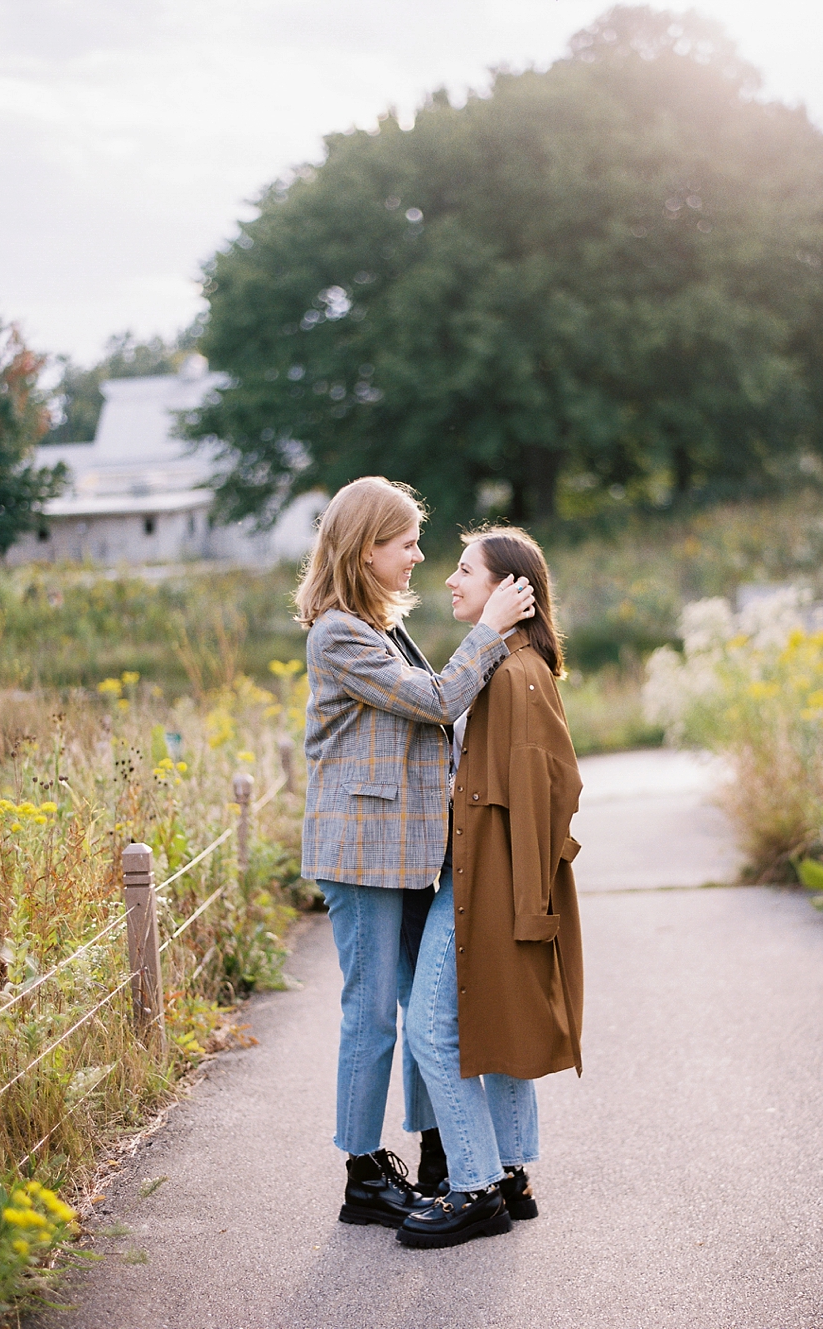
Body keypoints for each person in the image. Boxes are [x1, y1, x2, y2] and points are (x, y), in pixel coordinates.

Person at [296, 479, 536, 1229]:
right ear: (366, 550)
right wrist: (491, 629)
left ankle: (439, 1153)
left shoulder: (379, 628)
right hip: (363, 857)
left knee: (423, 1007)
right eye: (406, 543)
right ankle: (363, 1174)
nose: (419, 557)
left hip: (402, 856)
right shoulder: (338, 633)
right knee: (371, 1018)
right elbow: (435, 700)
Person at [399, 527, 584, 1250]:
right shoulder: (507, 665)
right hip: (487, 875)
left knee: (427, 1027)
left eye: (465, 570)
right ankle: (509, 1173)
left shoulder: (515, 672)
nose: (449, 579)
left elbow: (552, 784)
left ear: (510, 589)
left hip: (495, 882)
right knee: (500, 1022)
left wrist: (531, 899)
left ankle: (474, 1185)